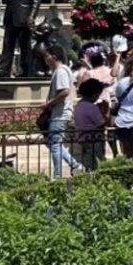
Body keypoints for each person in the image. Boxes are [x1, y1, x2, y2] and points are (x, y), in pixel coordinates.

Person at [40, 45, 83, 179]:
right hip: (60, 113)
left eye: (47, 56)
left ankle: (58, 175)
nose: (45, 59)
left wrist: (48, 104)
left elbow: (64, 92)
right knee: (54, 143)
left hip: (59, 113)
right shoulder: (63, 70)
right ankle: (75, 166)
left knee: (55, 145)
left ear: (54, 57)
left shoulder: (60, 72)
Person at [72, 78, 107, 171]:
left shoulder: (78, 105)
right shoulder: (92, 107)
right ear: (94, 94)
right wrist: (104, 112)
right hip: (94, 138)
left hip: (82, 138)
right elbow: (101, 123)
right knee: (97, 162)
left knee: (87, 161)